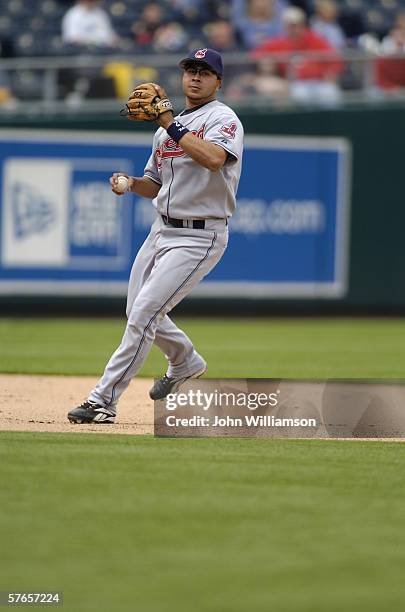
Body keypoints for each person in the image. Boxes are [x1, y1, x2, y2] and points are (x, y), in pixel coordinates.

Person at [67, 48, 244, 424]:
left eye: (205, 71)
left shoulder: (223, 118)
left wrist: (168, 122)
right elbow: (155, 183)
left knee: (145, 313)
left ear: (218, 82)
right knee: (138, 312)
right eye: (190, 70)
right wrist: (130, 183)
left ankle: (103, 400)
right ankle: (185, 361)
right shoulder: (168, 126)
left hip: (201, 235)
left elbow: (214, 159)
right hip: (161, 229)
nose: (195, 76)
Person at [251, 6, 344, 105]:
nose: (295, 29)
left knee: (331, 94)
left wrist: (331, 74)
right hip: (295, 85)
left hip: (319, 82)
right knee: (299, 94)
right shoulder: (280, 42)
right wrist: (268, 62)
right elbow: (255, 55)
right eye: (291, 26)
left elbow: (336, 61)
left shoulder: (315, 39)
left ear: (303, 25)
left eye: (297, 25)